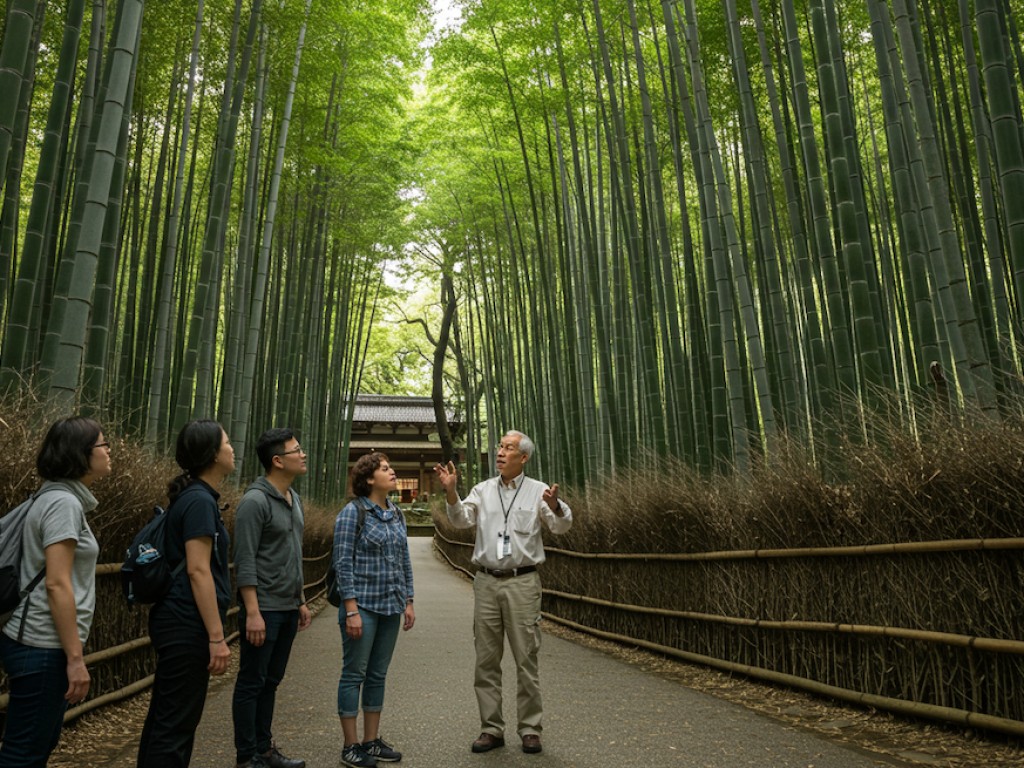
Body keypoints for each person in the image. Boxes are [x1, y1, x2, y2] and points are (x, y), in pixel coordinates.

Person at [434, 430, 572, 755]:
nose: (500, 452)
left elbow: (561, 525)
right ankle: (491, 728)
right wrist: (451, 492)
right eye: (500, 446)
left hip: (523, 581)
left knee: (526, 658)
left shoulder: (538, 490)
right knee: (486, 659)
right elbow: (460, 519)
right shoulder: (483, 490)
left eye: (508, 448)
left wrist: (556, 505)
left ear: (523, 457)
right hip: (485, 581)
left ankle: (530, 729)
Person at [0, 417, 110, 767]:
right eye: (103, 444)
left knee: (33, 747)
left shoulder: (51, 496)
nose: (109, 451)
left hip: (37, 642)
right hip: (42, 644)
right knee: (23, 755)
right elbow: (56, 582)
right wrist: (75, 659)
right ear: (81, 454)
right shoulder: (63, 503)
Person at [136, 419, 234, 768]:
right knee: (175, 725)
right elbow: (197, 569)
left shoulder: (194, 496)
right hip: (185, 622)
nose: (232, 448)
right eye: (226, 442)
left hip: (177, 620)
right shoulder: (199, 501)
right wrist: (216, 637)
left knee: (167, 720)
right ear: (212, 454)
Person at [231, 428, 311, 768]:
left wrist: (301, 599)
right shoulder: (255, 501)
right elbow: (245, 559)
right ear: (277, 460)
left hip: (287, 606)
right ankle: (246, 755)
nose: (303, 454)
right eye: (296, 450)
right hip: (263, 608)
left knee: (271, 682)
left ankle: (264, 749)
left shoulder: (293, 499)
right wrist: (252, 611)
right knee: (252, 682)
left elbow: (291, 553)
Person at [333, 452, 415, 768]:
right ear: (369, 478)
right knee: (354, 673)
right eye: (384, 469)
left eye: (390, 467)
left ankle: (371, 740)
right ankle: (350, 745)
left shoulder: (396, 513)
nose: (392, 472)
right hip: (362, 606)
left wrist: (409, 600)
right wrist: (351, 609)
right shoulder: (352, 513)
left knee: (378, 674)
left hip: (390, 605)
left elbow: (404, 559)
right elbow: (342, 562)